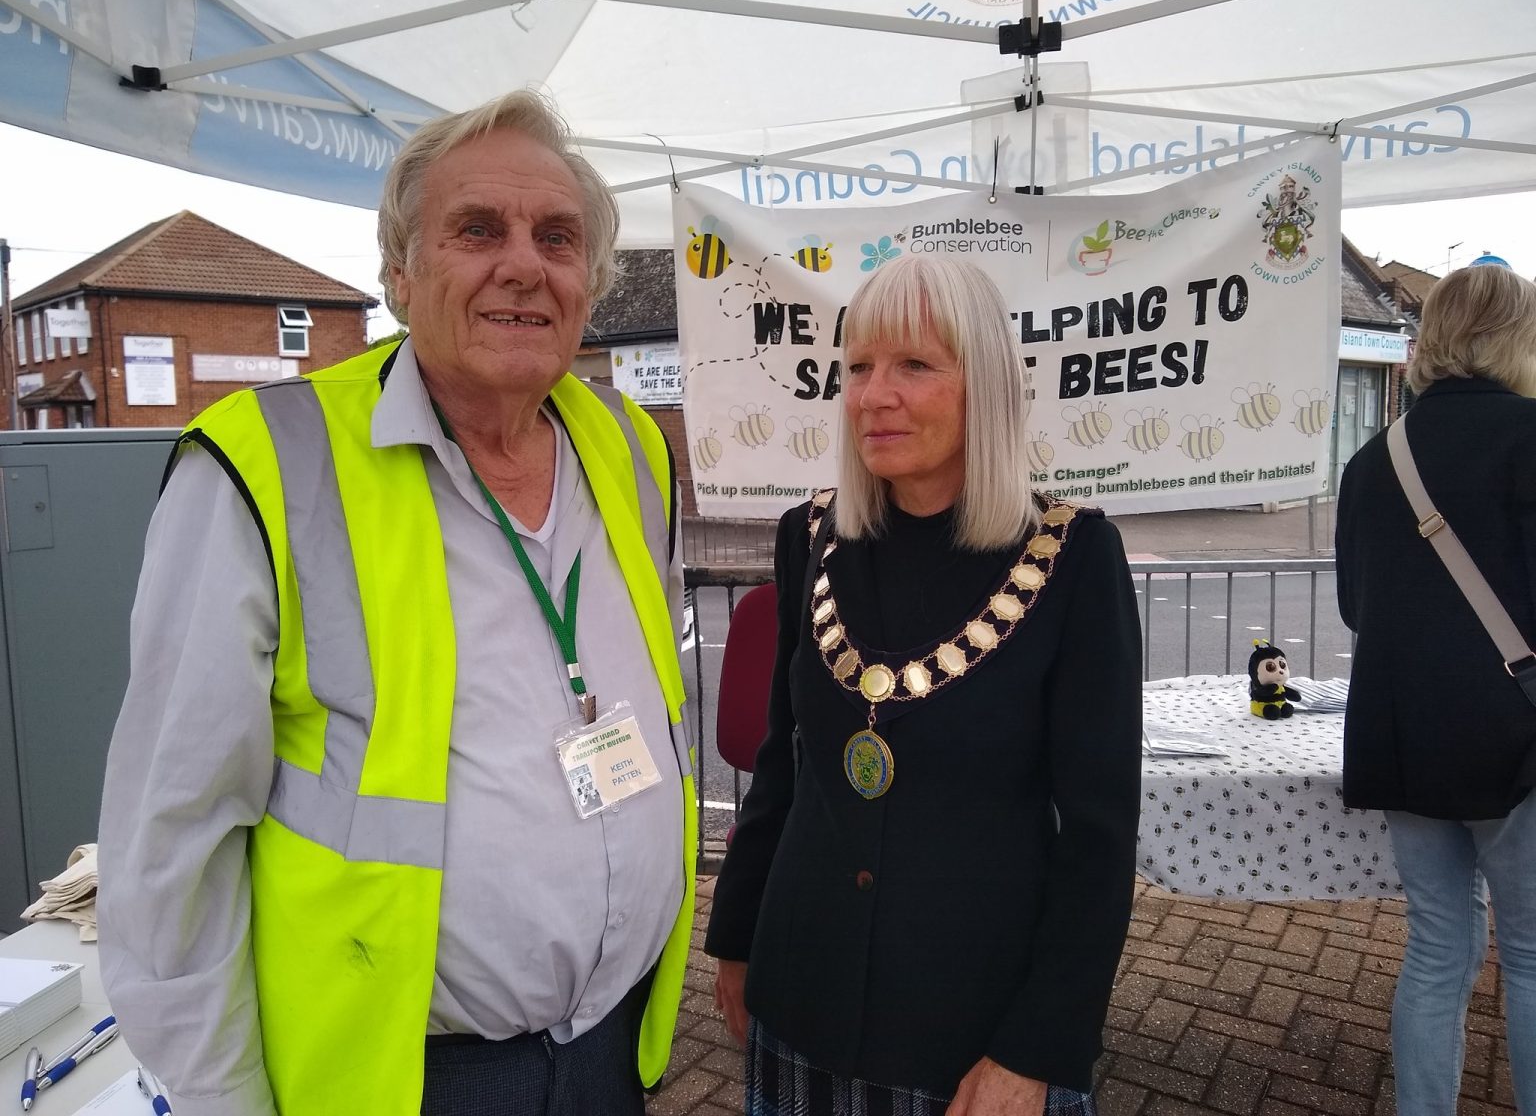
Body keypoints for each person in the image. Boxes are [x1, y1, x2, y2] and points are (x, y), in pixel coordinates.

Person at [97, 90, 697, 1116]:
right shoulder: (269, 465)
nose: (523, 264)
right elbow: (173, 829)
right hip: (407, 1081)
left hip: (611, 1053)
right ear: (399, 271)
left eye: (556, 237)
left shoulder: (629, 444)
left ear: (590, 281)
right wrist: (222, 1098)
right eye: (477, 230)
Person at [704, 255, 1143, 1116]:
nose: (874, 395)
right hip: (805, 988)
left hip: (975, 1025)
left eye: (913, 365)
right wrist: (737, 936)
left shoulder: (1073, 557)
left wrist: (1038, 1046)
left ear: (983, 386)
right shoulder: (810, 537)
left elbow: (1097, 838)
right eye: (859, 366)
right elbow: (783, 761)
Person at [1336, 263, 1536, 1116]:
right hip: (1514, 740)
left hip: (1401, 735)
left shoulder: (1373, 458)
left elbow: (1354, 604)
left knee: (1436, 949)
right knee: (1528, 954)